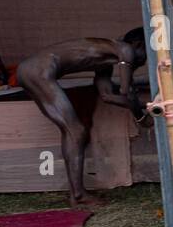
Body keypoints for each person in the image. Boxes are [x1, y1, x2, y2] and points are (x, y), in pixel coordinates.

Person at [15, 29, 151, 207]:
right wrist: (142, 114)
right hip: (39, 71)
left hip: (31, 71)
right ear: (138, 45)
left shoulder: (106, 61)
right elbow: (126, 92)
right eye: (145, 56)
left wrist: (141, 106)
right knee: (76, 132)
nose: (142, 62)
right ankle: (78, 195)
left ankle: (76, 195)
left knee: (74, 132)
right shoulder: (124, 49)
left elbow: (107, 96)